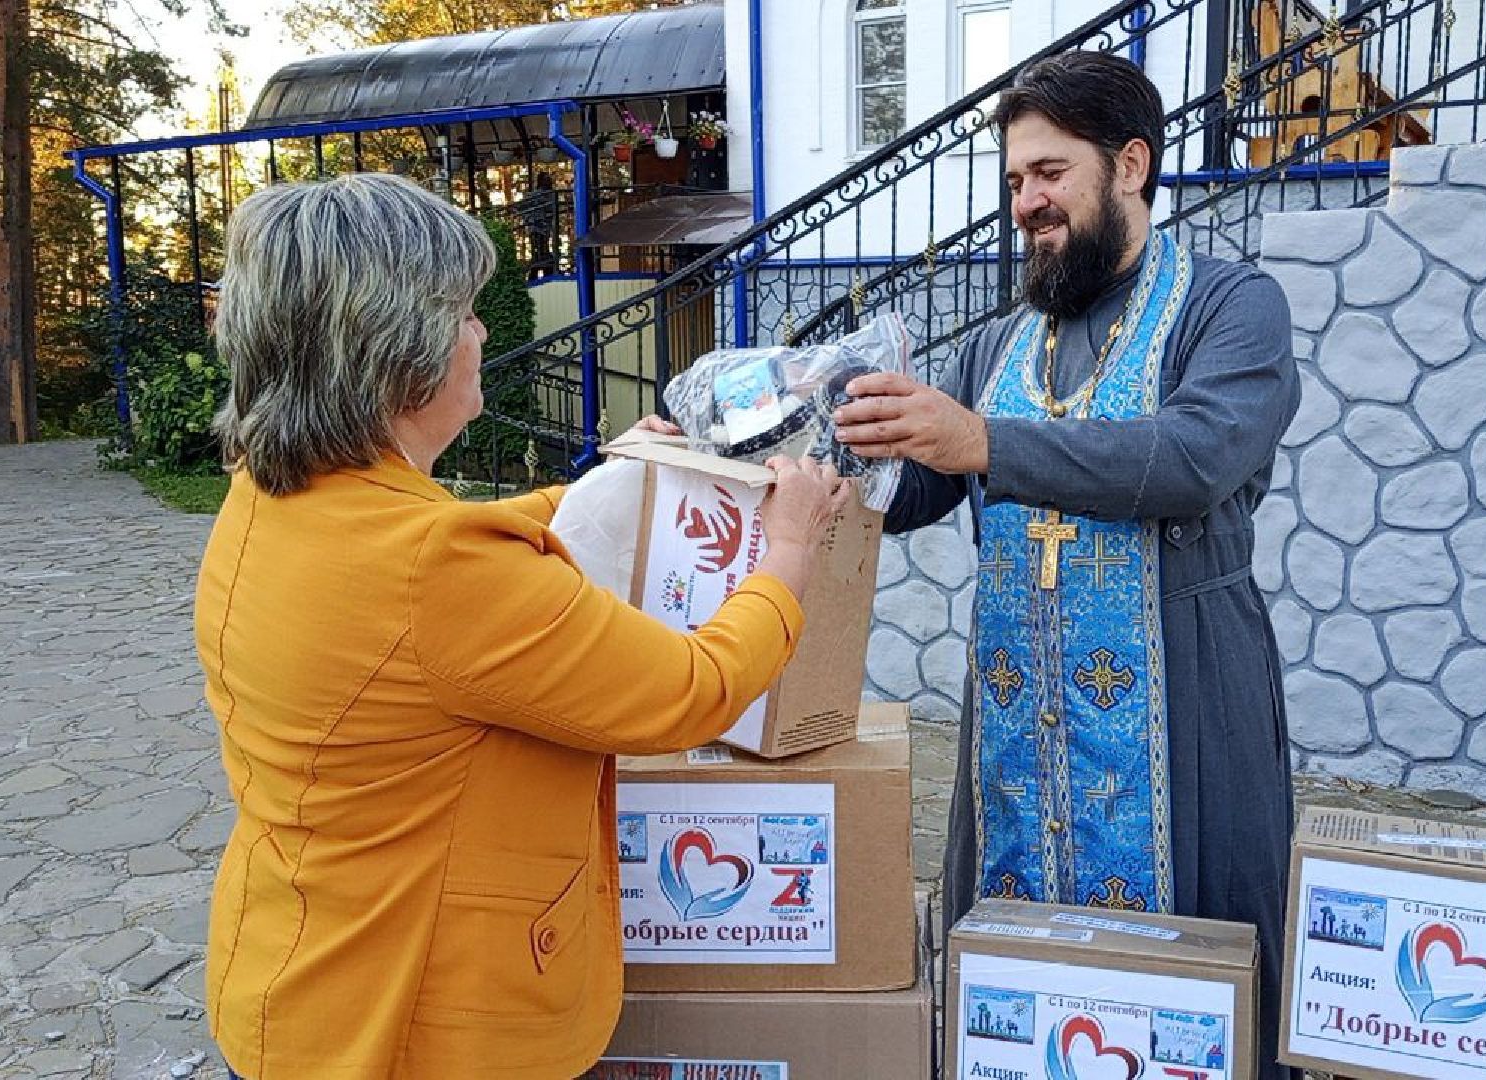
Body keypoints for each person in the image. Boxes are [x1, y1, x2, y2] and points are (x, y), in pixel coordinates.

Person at [196, 172, 848, 1079]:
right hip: (419, 1031)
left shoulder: (268, 501)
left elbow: (456, 567)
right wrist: (787, 551)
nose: (481, 332)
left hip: (292, 983)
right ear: (397, 351)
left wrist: (620, 480)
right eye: (462, 311)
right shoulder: (443, 570)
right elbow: (689, 692)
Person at [833, 52, 1301, 1078]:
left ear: (1131, 165)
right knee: (1018, 997)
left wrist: (985, 444)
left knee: (1199, 1002)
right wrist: (786, 457)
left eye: (1048, 174)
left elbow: (1193, 458)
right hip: (1018, 729)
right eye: (1013, 182)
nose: (1026, 204)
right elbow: (913, 489)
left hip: (1187, 708)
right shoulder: (999, 340)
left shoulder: (1232, 308)